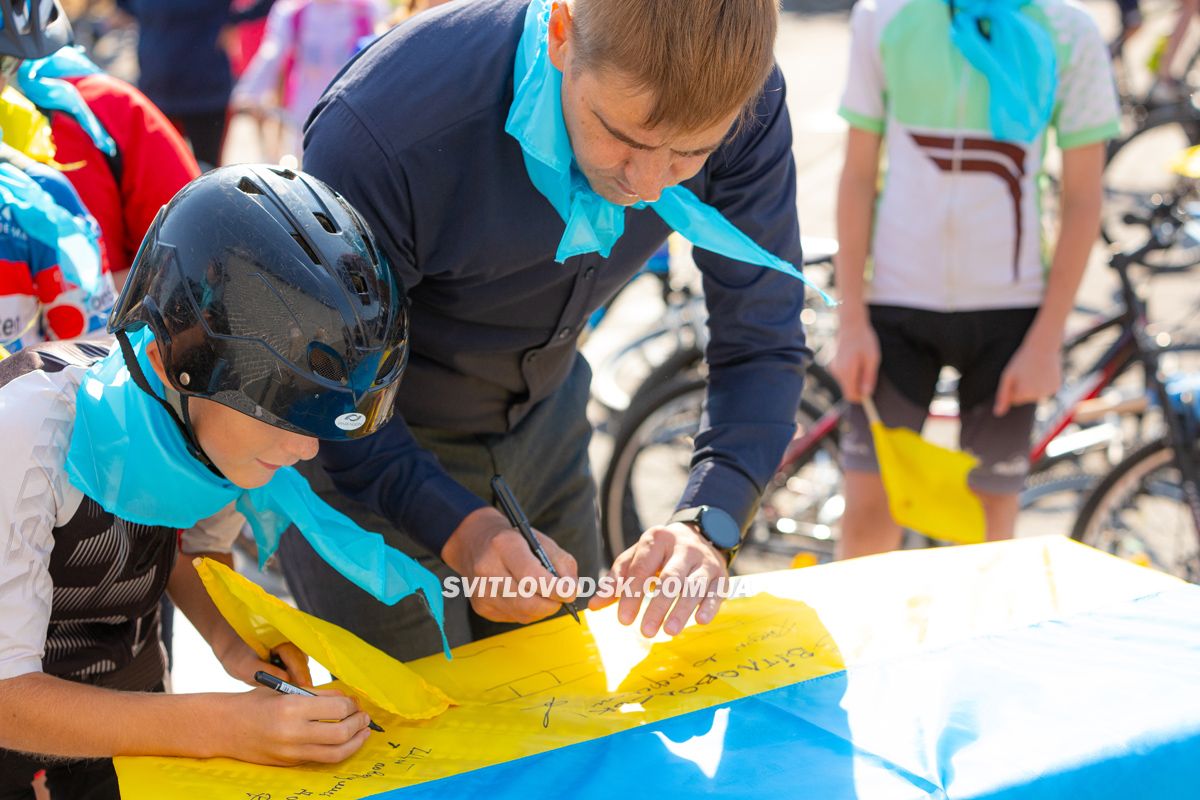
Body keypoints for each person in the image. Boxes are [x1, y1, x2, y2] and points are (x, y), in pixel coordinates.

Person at [278, 0, 813, 662]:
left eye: (691, 153)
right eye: (625, 137)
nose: (645, 185)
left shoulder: (748, 103)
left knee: (565, 718)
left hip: (545, 425)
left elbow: (761, 335)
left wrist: (710, 519)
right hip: (363, 446)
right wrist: (461, 530)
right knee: (427, 742)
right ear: (562, 33)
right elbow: (326, 386)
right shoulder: (383, 134)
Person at [0, 164, 442, 798]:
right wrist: (222, 726)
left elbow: (189, 547)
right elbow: (8, 695)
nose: (304, 447)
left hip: (132, 725)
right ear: (179, 361)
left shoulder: (215, 419)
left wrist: (234, 643)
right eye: (283, 413)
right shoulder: (29, 428)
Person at [830, 0, 1119, 557]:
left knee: (986, 543)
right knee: (867, 527)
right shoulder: (882, 17)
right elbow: (858, 175)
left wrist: (1047, 340)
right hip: (894, 302)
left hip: (1010, 316)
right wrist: (851, 322)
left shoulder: (1068, 30)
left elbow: (1084, 200)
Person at [0, 0, 200, 289]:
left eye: (4, 63)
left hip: (112, 329)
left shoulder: (107, 110)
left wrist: (95, 293)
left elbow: (196, 260)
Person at [114, 0, 275, 167]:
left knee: (208, 175)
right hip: (158, 94)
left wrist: (233, 19)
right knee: (162, 173)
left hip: (206, 95)